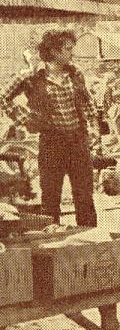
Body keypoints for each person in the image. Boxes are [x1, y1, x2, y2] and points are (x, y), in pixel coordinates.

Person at [0, 29, 98, 226]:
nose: (72, 53)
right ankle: (52, 246)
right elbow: (3, 97)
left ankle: (91, 241)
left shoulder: (75, 73)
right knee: (51, 199)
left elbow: (87, 102)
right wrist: (25, 118)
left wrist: (93, 128)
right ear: (53, 51)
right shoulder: (31, 76)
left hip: (78, 143)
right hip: (51, 144)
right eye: (68, 49)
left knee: (85, 198)